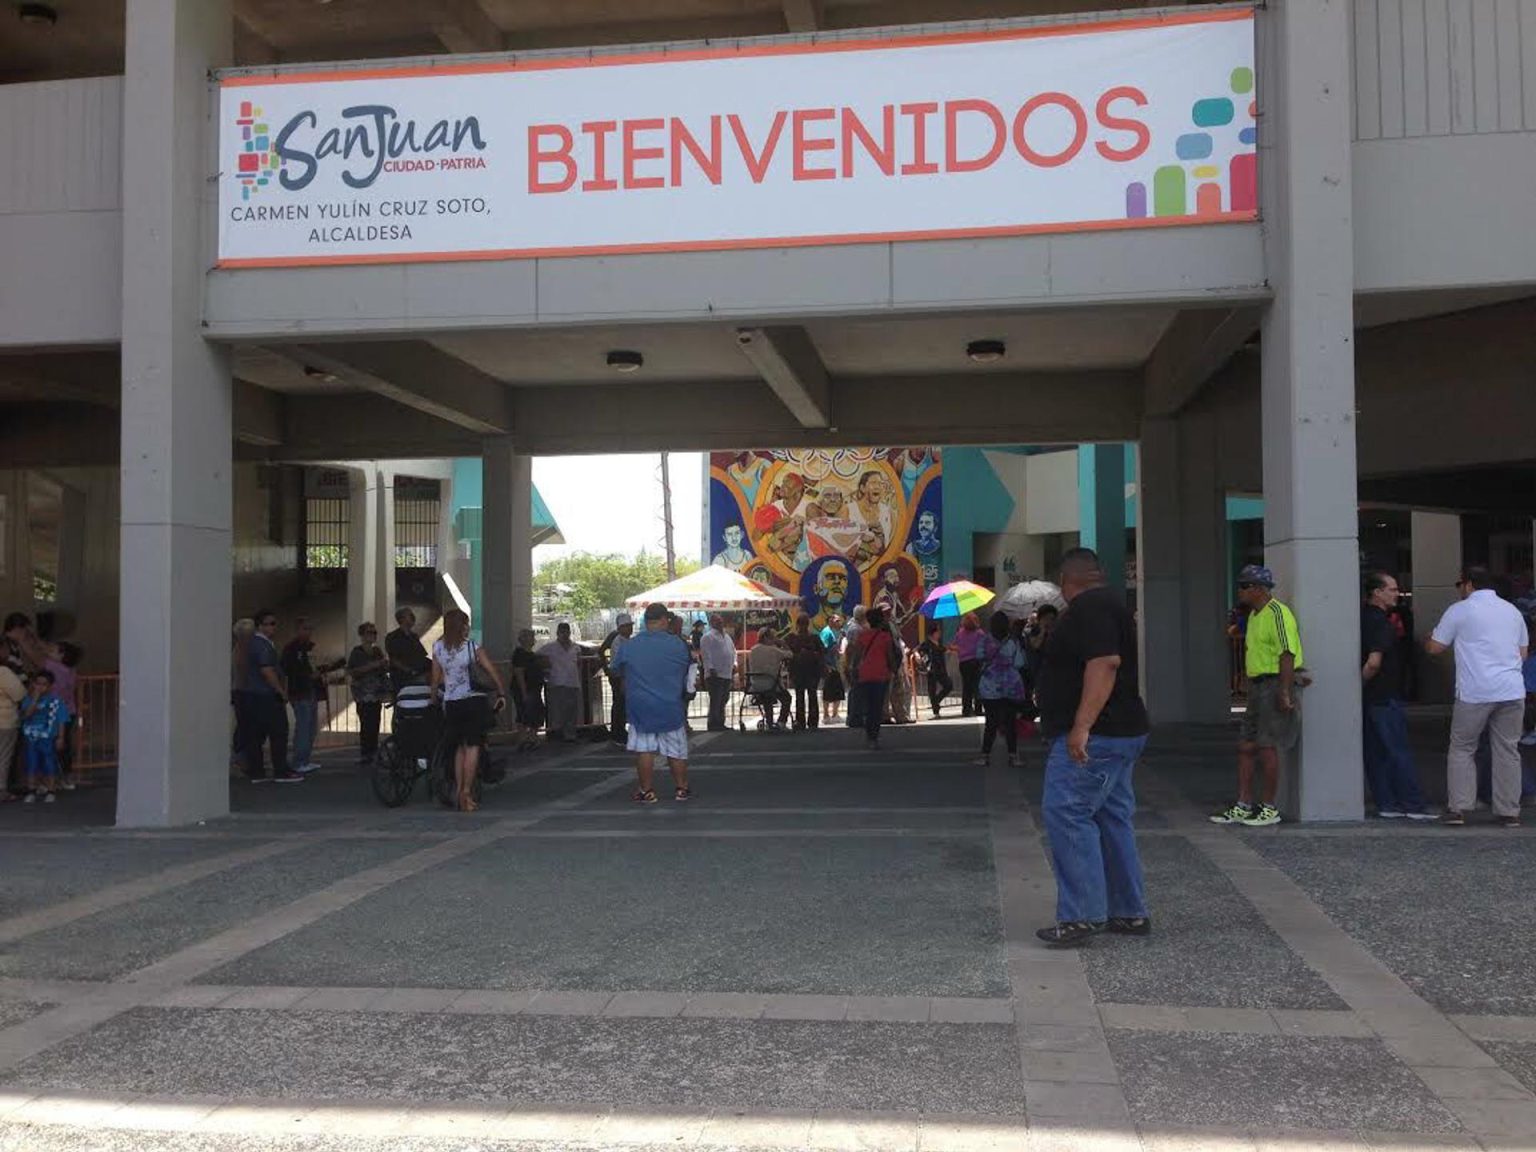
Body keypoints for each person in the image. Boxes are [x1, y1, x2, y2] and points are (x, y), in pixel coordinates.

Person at [1034, 547, 1152, 946]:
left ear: (1069, 581)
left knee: (1067, 812)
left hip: (1098, 736)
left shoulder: (1089, 609)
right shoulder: (1111, 605)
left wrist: (1080, 727)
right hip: (1120, 732)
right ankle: (1128, 911)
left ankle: (1082, 914)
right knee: (1111, 817)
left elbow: (1104, 663)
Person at [1426, 566, 1529, 827]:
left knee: (1462, 748)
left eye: (1459, 584)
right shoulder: (1512, 611)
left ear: (1469, 585)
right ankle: (1509, 812)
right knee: (1508, 750)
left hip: (1476, 691)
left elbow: (1435, 648)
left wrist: (1427, 639)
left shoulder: (1460, 610)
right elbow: (1523, 654)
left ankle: (1459, 809)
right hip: (1511, 690)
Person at [1211, 565, 1305, 827]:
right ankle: (1243, 804)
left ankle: (1269, 807)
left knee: (1267, 746)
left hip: (1274, 684)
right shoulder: (1254, 615)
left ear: (1259, 589)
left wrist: (1284, 691)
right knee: (1246, 745)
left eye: (1244, 586)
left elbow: (1287, 653)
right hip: (1257, 685)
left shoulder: (1278, 613)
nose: (1239, 591)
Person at [1360, 573, 1431, 819]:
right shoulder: (1381, 623)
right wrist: (1363, 680)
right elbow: (1374, 662)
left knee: (1376, 753)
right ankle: (1413, 804)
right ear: (1377, 592)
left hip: (1370, 698)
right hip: (1384, 695)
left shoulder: (1362, 618)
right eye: (1391, 589)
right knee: (1398, 750)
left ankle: (1386, 803)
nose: (1396, 593)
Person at [612, 601, 697, 804]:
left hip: (641, 707)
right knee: (676, 751)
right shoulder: (678, 644)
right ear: (662, 620)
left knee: (645, 750)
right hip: (671, 707)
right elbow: (689, 669)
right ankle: (681, 789)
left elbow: (615, 669)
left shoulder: (629, 645)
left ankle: (646, 791)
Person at [430, 608, 507, 812]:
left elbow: (436, 678)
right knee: (473, 746)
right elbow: (491, 670)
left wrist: (433, 699)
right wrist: (501, 693)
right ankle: (466, 791)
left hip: (452, 703)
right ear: (463, 626)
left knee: (459, 748)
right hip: (474, 702)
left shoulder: (438, 648)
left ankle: (458, 792)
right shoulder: (472, 648)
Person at [244, 609, 302, 784]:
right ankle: (280, 770)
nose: (273, 627)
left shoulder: (256, 644)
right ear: (260, 626)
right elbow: (267, 669)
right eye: (270, 624)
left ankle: (257, 771)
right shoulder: (262, 645)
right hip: (266, 695)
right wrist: (280, 690)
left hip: (254, 695)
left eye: (274, 623)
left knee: (256, 734)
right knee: (278, 732)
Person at [976, 612, 1026, 767]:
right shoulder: (1013, 642)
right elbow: (1019, 662)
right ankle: (1013, 756)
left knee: (991, 722)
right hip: (1010, 685)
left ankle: (985, 755)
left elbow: (978, 656)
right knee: (1010, 723)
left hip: (989, 685)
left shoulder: (984, 640)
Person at [281, 617, 326, 775]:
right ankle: (298, 761)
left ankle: (305, 759)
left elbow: (315, 666)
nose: (308, 632)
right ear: (298, 629)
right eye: (305, 628)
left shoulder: (310, 648)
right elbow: (288, 671)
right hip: (299, 691)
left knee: (311, 726)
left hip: (311, 690)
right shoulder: (291, 649)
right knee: (303, 726)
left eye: (310, 629)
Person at [19, 669, 69, 804]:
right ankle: (31, 790)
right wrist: (34, 700)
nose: (40, 687)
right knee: (31, 762)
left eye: (44, 684)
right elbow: (26, 715)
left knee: (49, 762)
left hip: (48, 737)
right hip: (31, 737)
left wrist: (61, 737)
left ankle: (50, 790)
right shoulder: (28, 699)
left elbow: (61, 720)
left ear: (51, 686)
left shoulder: (56, 701)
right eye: (37, 683)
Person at [853, 606, 899, 748]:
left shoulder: (862, 636)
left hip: (865, 674)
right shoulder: (885, 637)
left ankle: (869, 735)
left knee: (868, 706)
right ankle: (874, 736)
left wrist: (853, 670)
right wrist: (895, 670)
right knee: (877, 707)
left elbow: (857, 656)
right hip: (880, 674)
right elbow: (890, 657)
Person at [346, 622, 392, 765]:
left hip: (376, 694)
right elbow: (353, 671)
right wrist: (372, 666)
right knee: (366, 723)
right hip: (363, 694)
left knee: (375, 722)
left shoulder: (377, 651)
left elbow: (383, 670)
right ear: (362, 635)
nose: (372, 635)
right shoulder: (357, 652)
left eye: (374, 633)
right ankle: (366, 753)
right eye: (369, 633)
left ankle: (373, 751)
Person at [538, 623, 582, 742]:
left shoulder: (576, 647)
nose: (564, 634)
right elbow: (537, 655)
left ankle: (570, 734)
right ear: (558, 633)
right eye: (562, 632)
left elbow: (579, 662)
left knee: (571, 710)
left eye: (566, 632)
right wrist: (546, 667)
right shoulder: (549, 647)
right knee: (557, 710)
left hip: (572, 682)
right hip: (557, 681)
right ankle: (556, 733)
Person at [599, 613, 634, 746]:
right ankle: (617, 732)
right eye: (627, 626)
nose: (630, 629)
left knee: (622, 704)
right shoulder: (618, 641)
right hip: (619, 676)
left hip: (623, 676)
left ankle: (620, 730)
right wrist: (607, 669)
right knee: (619, 703)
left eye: (630, 626)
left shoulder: (626, 640)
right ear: (620, 628)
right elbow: (622, 662)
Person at [747, 627, 792, 729]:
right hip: (772, 684)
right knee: (787, 698)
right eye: (773, 637)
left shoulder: (753, 650)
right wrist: (783, 644)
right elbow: (790, 655)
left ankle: (769, 721)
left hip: (755, 684)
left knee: (767, 699)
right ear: (767, 638)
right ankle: (781, 721)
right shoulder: (774, 650)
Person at [787, 615, 825, 730]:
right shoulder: (814, 638)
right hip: (812, 670)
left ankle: (800, 721)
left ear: (797, 625)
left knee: (800, 696)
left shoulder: (792, 638)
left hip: (798, 670)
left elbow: (788, 653)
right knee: (812, 695)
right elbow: (823, 652)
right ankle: (813, 722)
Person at [700, 614, 737, 732]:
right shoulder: (708, 637)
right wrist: (711, 668)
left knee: (724, 698)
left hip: (727, 672)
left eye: (721, 621)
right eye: (717, 621)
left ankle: (720, 722)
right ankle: (713, 723)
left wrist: (734, 663)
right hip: (715, 673)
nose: (720, 623)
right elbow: (706, 654)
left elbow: (733, 650)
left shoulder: (727, 637)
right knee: (716, 699)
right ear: (712, 623)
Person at [230, 619, 255, 775]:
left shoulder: (240, 649)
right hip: (243, 692)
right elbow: (244, 673)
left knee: (244, 725)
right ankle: (241, 758)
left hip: (241, 691)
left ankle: (242, 757)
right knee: (246, 725)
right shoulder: (242, 651)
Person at [385, 607, 431, 692]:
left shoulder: (414, 636)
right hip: (402, 678)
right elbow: (394, 659)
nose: (413, 617)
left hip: (419, 675)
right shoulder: (392, 637)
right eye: (410, 615)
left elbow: (421, 655)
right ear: (402, 619)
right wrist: (410, 671)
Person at [511, 628, 547, 738]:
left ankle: (532, 736)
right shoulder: (519, 654)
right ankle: (523, 738)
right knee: (524, 713)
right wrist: (524, 691)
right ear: (523, 639)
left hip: (535, 689)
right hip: (526, 689)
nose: (533, 639)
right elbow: (519, 672)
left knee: (535, 713)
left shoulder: (532, 654)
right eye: (530, 637)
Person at [0, 657, 23, 804]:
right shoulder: (3, 672)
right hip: (4, 720)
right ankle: (1, 790)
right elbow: (19, 694)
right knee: (3, 757)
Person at [917, 627, 952, 718]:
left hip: (941, 669)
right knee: (932, 690)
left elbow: (943, 650)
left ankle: (936, 701)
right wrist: (919, 657)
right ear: (932, 633)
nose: (939, 634)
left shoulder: (938, 643)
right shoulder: (926, 644)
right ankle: (936, 711)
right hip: (932, 670)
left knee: (948, 685)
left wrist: (950, 649)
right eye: (937, 632)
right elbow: (918, 651)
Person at [842, 606, 868, 729]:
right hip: (856, 664)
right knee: (856, 691)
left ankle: (853, 717)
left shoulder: (854, 628)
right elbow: (853, 648)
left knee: (855, 691)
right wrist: (851, 664)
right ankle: (854, 717)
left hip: (855, 663)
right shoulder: (856, 629)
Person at [955, 612, 984, 717]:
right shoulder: (979, 633)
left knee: (966, 686)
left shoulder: (959, 633)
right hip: (976, 661)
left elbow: (957, 645)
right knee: (977, 686)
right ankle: (978, 709)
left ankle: (966, 709)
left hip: (963, 662)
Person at [819, 614, 845, 723]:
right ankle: (827, 715)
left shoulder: (833, 633)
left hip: (833, 666)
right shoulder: (827, 632)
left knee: (835, 690)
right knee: (829, 691)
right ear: (830, 620)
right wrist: (826, 665)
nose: (839, 623)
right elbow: (823, 648)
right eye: (837, 620)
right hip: (830, 666)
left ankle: (834, 714)